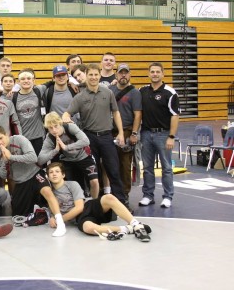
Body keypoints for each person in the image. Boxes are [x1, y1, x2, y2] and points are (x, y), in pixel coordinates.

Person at [64, 63, 128, 206]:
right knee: (93, 173)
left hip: (107, 137)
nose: (93, 77)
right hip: (89, 138)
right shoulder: (80, 97)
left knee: (113, 170)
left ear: (100, 76)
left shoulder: (108, 93)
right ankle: (98, 204)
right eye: (90, 75)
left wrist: (121, 133)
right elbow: (66, 114)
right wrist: (67, 119)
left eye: (95, 75)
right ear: (86, 76)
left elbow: (116, 113)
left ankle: (121, 202)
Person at [0, 125, 66, 237]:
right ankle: (41, 212)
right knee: (18, 218)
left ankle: (60, 223)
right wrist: (5, 162)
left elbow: (33, 158)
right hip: (20, 182)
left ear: (7, 134)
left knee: (47, 192)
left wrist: (11, 157)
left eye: (1, 138)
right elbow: (2, 175)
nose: (0, 142)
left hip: (34, 174)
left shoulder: (19, 139)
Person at [46, 162, 151, 242]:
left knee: (108, 197)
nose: (54, 174)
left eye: (57, 171)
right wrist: (52, 218)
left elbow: (79, 207)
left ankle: (136, 224)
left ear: (63, 175)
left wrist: (60, 220)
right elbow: (53, 210)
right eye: (51, 172)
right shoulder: (48, 193)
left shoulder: (72, 184)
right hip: (80, 218)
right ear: (48, 177)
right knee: (88, 228)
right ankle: (128, 229)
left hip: (87, 207)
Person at [139, 62, 180, 208]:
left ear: (163, 74)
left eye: (158, 72)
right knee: (147, 167)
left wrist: (171, 136)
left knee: (167, 167)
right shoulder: (142, 91)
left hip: (163, 134)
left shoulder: (170, 92)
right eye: (152, 72)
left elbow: (175, 116)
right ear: (148, 73)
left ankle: (168, 196)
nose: (155, 74)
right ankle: (148, 195)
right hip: (146, 134)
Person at [38, 112, 99, 199]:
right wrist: (55, 150)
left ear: (60, 124)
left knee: (94, 181)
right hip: (68, 160)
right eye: (50, 128)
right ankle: (78, 205)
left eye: (56, 126)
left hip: (83, 156)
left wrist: (66, 147)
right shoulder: (50, 138)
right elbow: (40, 160)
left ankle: (94, 205)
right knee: (73, 187)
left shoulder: (70, 127)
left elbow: (86, 141)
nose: (54, 130)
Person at [109, 63, 142, 204]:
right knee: (110, 164)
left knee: (125, 164)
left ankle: (124, 195)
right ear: (116, 75)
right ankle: (111, 192)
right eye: (121, 72)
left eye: (126, 73)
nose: (123, 75)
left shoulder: (134, 93)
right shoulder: (110, 90)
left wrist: (134, 133)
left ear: (129, 75)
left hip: (127, 130)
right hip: (110, 131)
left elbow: (138, 114)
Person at [12, 68, 46, 155]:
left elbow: (52, 82)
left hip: (39, 137)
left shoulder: (39, 90)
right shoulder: (13, 97)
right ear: (18, 82)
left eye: (29, 78)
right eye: (23, 79)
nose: (26, 81)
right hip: (23, 138)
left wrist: (71, 83)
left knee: (40, 164)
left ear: (34, 81)